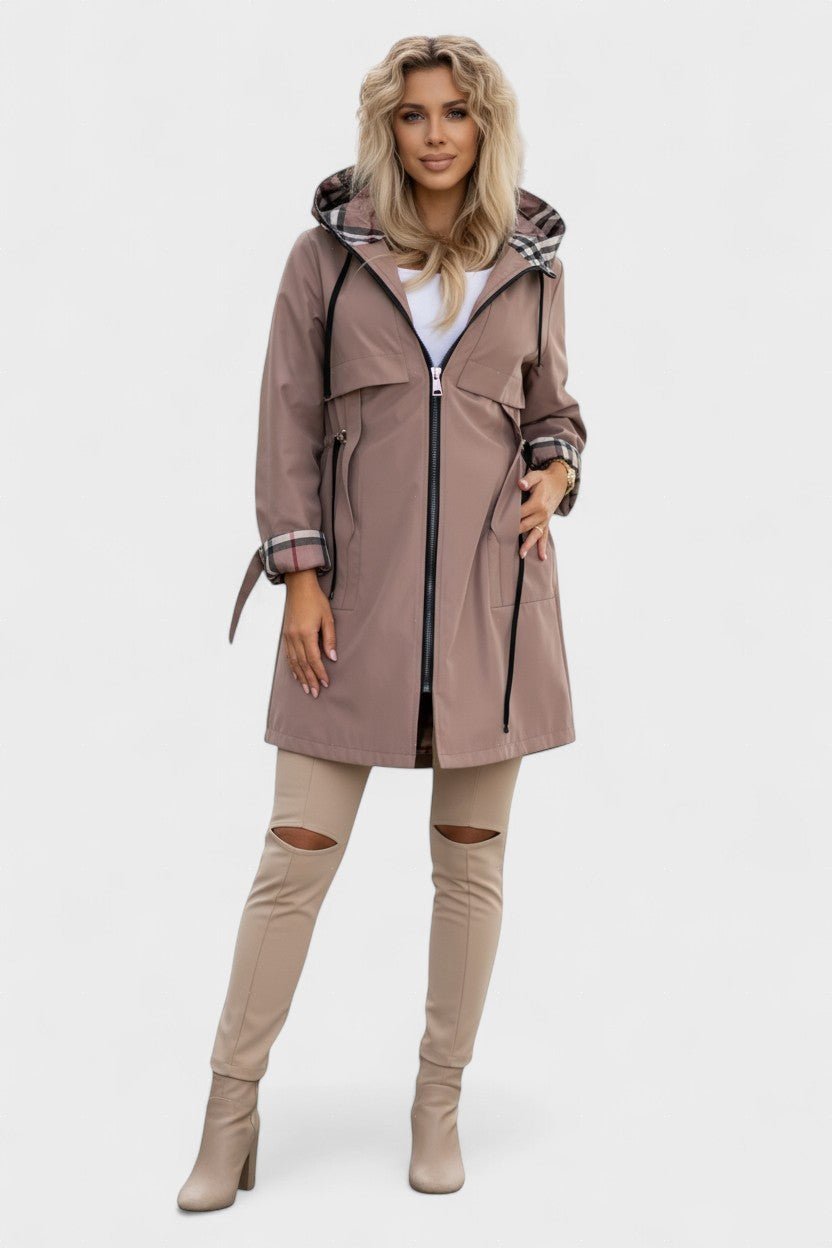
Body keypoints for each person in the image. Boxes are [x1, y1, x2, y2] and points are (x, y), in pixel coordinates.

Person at [178, 33, 586, 1209]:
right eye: (413, 115)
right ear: (386, 129)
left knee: (470, 867)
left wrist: (557, 472)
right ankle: (229, 1112)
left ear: (484, 124)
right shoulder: (325, 260)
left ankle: (436, 1106)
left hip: (491, 612)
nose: (435, 134)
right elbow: (287, 422)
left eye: (455, 112)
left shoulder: (533, 263)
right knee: (293, 859)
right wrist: (300, 574)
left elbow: (553, 408)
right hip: (347, 609)